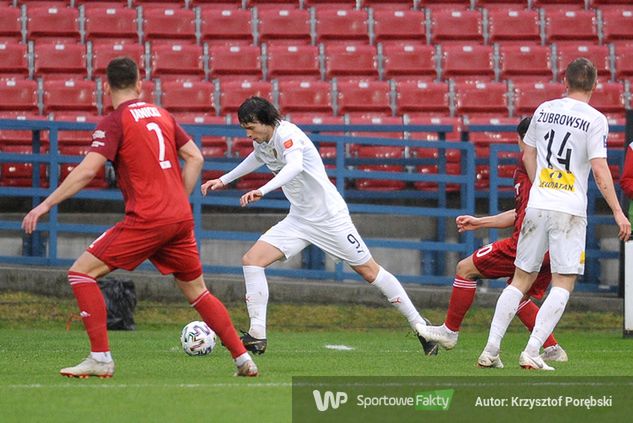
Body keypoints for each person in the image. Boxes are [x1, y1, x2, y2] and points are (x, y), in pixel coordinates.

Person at [21, 57, 258, 378]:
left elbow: (89, 169)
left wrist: (44, 205)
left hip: (149, 217)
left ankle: (101, 358)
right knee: (197, 291)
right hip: (178, 217)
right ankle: (243, 359)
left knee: (81, 274)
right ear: (139, 84)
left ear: (106, 87)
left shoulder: (115, 121)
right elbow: (195, 157)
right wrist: (177, 196)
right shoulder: (161, 114)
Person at [201, 96, 438, 355]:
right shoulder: (263, 141)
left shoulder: (287, 134)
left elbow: (295, 166)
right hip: (299, 218)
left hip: (329, 218)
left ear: (267, 121)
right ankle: (257, 335)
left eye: (251, 127)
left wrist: (263, 190)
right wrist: (223, 180)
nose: (248, 134)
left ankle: (420, 326)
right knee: (252, 260)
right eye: (245, 128)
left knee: (370, 272)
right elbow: (256, 158)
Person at [477, 57, 631, 371]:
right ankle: (532, 350)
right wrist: (618, 212)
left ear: (565, 80)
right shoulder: (595, 119)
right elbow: (600, 171)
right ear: (595, 84)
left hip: (538, 203)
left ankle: (491, 350)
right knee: (563, 281)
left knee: (519, 279)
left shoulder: (544, 110)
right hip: (569, 209)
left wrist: (538, 186)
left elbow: (528, 152)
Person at [416, 117, 567, 362]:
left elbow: (530, 212)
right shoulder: (552, 167)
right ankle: (552, 349)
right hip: (554, 245)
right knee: (518, 295)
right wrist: (480, 221)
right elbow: (521, 212)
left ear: (522, 139)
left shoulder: (528, 164)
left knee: (465, 269)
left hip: (526, 244)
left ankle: (450, 332)